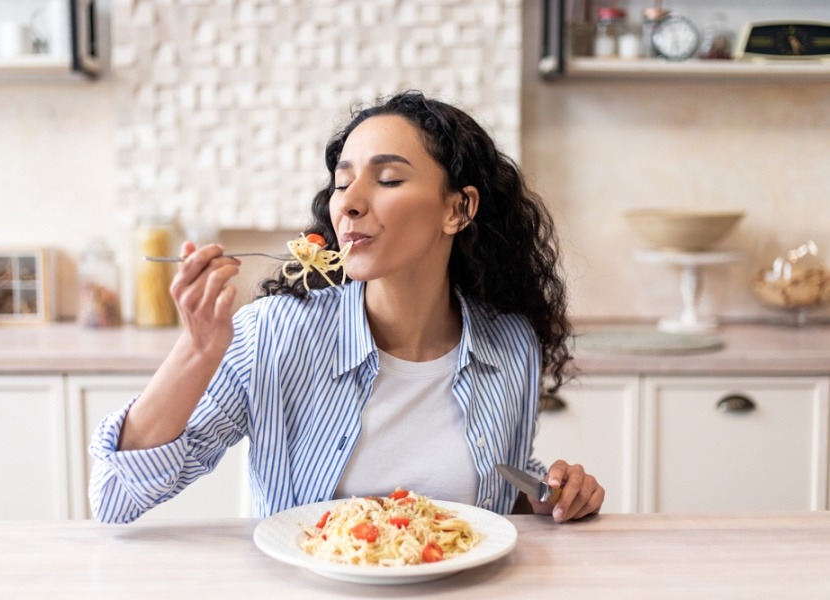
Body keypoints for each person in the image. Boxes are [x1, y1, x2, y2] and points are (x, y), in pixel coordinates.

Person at [89, 90, 605, 524]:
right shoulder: (274, 334)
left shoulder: (510, 345)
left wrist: (552, 493)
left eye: (387, 180)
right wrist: (198, 350)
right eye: (341, 182)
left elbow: (496, 494)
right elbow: (114, 497)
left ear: (458, 208)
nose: (348, 202)